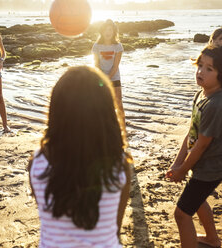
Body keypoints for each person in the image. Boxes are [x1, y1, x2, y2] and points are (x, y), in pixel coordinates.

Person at [29, 66, 132, 247]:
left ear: (56, 112)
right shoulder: (120, 166)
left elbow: (48, 217)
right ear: (107, 113)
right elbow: (115, 229)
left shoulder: (38, 163)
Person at [166, 45, 222, 248]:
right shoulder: (202, 95)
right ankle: (212, 239)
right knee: (196, 202)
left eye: (209, 69)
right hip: (202, 165)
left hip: (211, 168)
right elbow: (191, 134)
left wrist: (183, 170)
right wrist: (177, 163)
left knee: (181, 214)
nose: (200, 71)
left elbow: (201, 145)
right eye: (200, 65)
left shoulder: (217, 104)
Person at [92, 19, 125, 124]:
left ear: (114, 32)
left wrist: (108, 77)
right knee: (101, 104)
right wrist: (102, 78)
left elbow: (115, 66)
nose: (108, 32)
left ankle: (123, 127)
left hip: (114, 77)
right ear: (102, 31)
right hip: (100, 78)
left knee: (118, 103)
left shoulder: (118, 46)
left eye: (110, 30)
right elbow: (96, 64)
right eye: (106, 30)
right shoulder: (96, 46)